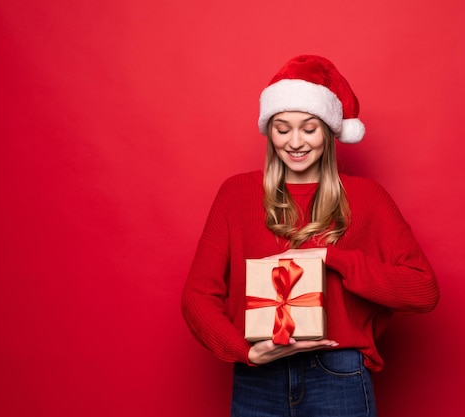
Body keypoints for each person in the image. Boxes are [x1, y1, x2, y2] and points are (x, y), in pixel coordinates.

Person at [181, 55, 439, 417]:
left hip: (338, 376)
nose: (295, 141)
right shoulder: (236, 194)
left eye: (309, 128)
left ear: (330, 132)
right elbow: (197, 296)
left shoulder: (367, 199)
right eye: (282, 128)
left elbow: (423, 290)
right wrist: (244, 351)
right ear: (269, 131)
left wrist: (328, 257)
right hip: (258, 379)